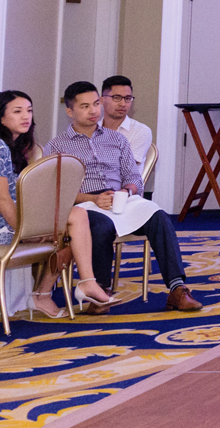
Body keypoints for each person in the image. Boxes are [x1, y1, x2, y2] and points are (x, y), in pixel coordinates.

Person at [0, 91, 113, 318]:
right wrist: (24, 233)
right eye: (17, 112)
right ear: (0, 117)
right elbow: (1, 199)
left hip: (0, 223)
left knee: (74, 221)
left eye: (28, 111)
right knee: (72, 224)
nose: (25, 117)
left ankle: (73, 286)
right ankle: (53, 292)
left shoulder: (9, 145)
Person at [47, 81, 201, 313]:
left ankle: (177, 289)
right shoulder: (57, 146)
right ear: (70, 111)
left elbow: (134, 178)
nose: (93, 111)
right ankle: (100, 292)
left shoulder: (117, 139)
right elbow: (55, 190)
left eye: (96, 104)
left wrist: (126, 191)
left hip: (120, 199)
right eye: (85, 106)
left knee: (159, 216)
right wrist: (92, 198)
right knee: (101, 226)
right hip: (84, 203)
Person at [100, 76, 153, 191]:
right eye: (117, 98)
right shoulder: (92, 130)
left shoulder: (140, 131)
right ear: (102, 100)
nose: (123, 104)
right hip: (91, 193)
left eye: (128, 98)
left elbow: (124, 169)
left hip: (125, 194)